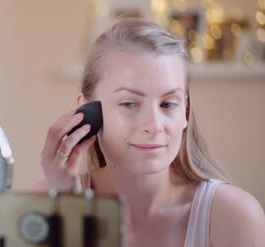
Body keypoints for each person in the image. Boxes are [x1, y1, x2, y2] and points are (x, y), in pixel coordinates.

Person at [36, 18, 265, 247]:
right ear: (86, 111)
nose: (155, 125)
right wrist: (68, 209)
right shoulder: (46, 204)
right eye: (129, 104)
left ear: (185, 112)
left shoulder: (234, 217)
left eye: (167, 104)